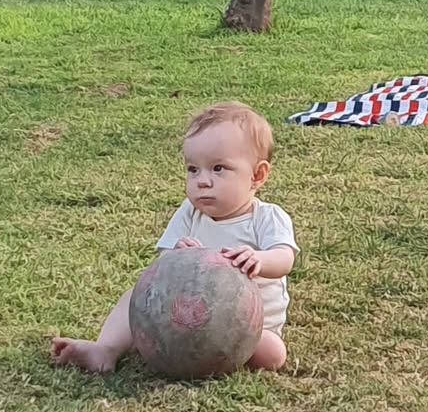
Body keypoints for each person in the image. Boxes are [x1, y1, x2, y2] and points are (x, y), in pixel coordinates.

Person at [52, 101, 296, 374]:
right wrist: (176, 254)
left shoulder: (266, 217)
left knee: (273, 355)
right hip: (184, 314)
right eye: (193, 169)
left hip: (248, 324)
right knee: (135, 296)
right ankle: (105, 348)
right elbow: (163, 264)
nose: (203, 180)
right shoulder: (190, 213)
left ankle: (224, 353)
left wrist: (259, 259)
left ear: (257, 175)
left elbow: (284, 258)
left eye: (218, 168)